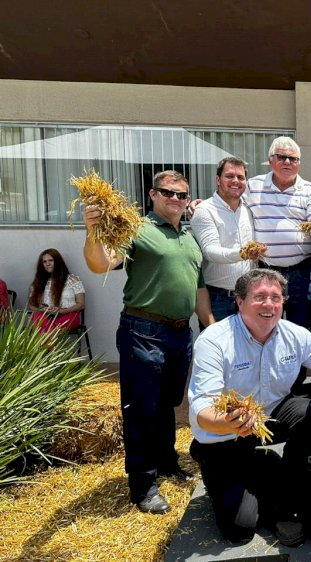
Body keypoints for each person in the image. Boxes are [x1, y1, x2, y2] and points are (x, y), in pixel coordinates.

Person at [83, 170, 213, 514]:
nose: (175, 199)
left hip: (179, 333)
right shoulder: (136, 229)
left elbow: (198, 288)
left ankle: (167, 463)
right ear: (152, 195)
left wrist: (210, 326)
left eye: (182, 195)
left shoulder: (188, 237)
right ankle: (143, 486)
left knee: (168, 403)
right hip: (143, 330)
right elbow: (102, 263)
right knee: (142, 410)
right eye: (167, 193)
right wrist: (92, 230)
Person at [188, 269, 311, 546]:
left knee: (310, 412)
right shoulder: (214, 340)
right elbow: (202, 408)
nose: (269, 304)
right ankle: (237, 466)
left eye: (276, 297)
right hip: (228, 430)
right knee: (239, 530)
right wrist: (231, 423)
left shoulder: (294, 334)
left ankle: (288, 480)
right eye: (260, 297)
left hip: (272, 414)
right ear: (239, 302)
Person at [246, 136, 311, 330]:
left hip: (301, 272)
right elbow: (228, 201)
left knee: (300, 329)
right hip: (266, 271)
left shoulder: (309, 190)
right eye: (281, 157)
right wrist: (198, 205)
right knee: (265, 327)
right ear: (270, 160)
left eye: (293, 159)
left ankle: (298, 362)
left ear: (299, 163)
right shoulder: (252, 186)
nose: (288, 162)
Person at [190, 157, 254, 324]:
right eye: (229, 176)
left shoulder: (249, 209)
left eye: (240, 177)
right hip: (218, 298)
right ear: (218, 180)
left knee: (248, 348)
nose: (235, 181)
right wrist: (243, 254)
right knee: (218, 348)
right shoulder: (204, 210)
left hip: (247, 297)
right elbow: (210, 251)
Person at [28, 249, 85, 333]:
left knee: (44, 329)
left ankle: (44, 342)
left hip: (68, 315)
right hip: (47, 316)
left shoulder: (72, 279)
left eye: (51, 260)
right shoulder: (38, 283)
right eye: (44, 261)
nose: (48, 263)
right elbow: (32, 305)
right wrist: (44, 310)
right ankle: (48, 341)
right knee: (37, 317)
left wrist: (62, 311)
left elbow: (81, 304)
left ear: (58, 261)